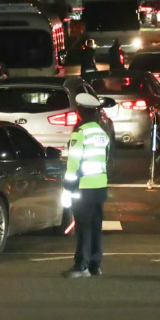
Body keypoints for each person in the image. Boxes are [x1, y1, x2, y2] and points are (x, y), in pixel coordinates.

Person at [62, 93, 111, 278]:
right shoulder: (101, 133)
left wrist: (69, 182)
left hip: (83, 186)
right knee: (96, 225)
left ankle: (81, 265)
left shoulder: (80, 133)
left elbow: (74, 161)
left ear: (81, 111)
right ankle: (95, 265)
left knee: (83, 226)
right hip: (100, 186)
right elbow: (106, 159)